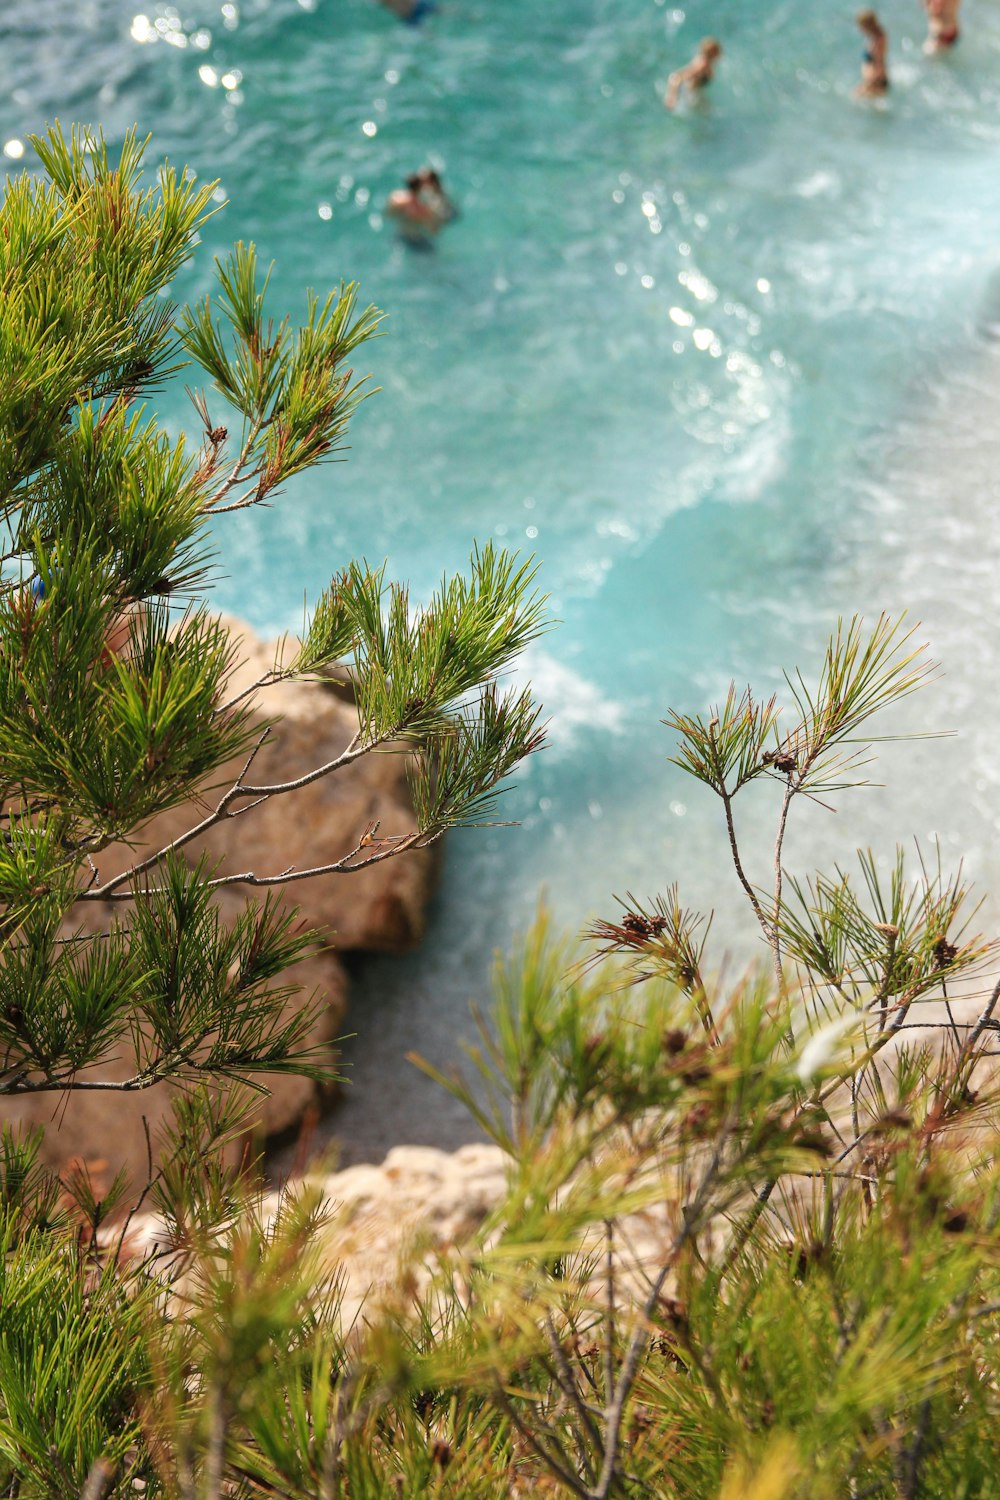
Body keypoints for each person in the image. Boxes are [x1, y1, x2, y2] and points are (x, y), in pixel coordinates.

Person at [385, 168, 457, 246]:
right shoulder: (423, 208)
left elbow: (389, 214)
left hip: (401, 234)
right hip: (415, 238)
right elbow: (434, 230)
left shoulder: (396, 197)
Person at [664, 37, 722, 110]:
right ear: (713, 53)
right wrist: (671, 96)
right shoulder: (702, 65)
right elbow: (676, 77)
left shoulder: (706, 63)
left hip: (694, 91)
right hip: (687, 92)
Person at [855, 10, 889, 97]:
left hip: (875, 81)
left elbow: (878, 62)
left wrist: (869, 83)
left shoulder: (877, 40)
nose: (859, 29)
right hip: (873, 79)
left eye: (861, 26)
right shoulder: (874, 37)